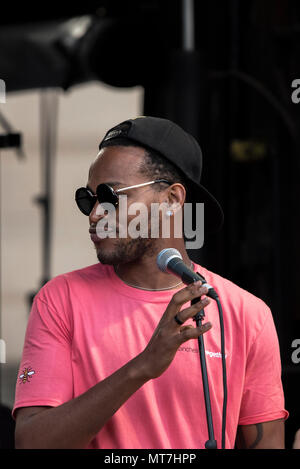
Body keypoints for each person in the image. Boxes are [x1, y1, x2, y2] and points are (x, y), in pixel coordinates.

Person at [13, 116, 288, 449]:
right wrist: (142, 367)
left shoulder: (246, 314)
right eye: (89, 199)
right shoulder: (60, 300)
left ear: (172, 199)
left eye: (111, 195)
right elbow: (31, 443)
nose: (96, 213)